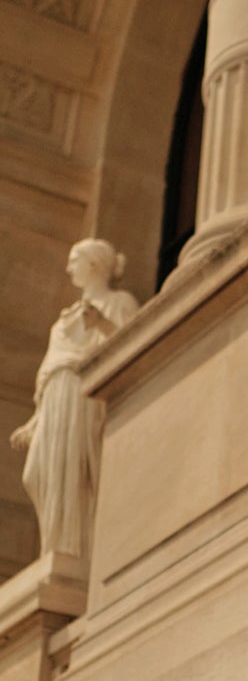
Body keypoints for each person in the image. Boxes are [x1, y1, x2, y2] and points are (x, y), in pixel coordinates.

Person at [9, 239, 138, 559]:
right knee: (36, 474)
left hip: (83, 393)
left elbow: (134, 348)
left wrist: (102, 324)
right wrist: (34, 421)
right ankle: (54, 551)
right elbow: (49, 372)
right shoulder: (64, 319)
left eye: (75, 260)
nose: (68, 268)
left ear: (94, 265)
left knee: (74, 473)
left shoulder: (119, 302)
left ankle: (72, 553)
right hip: (55, 397)